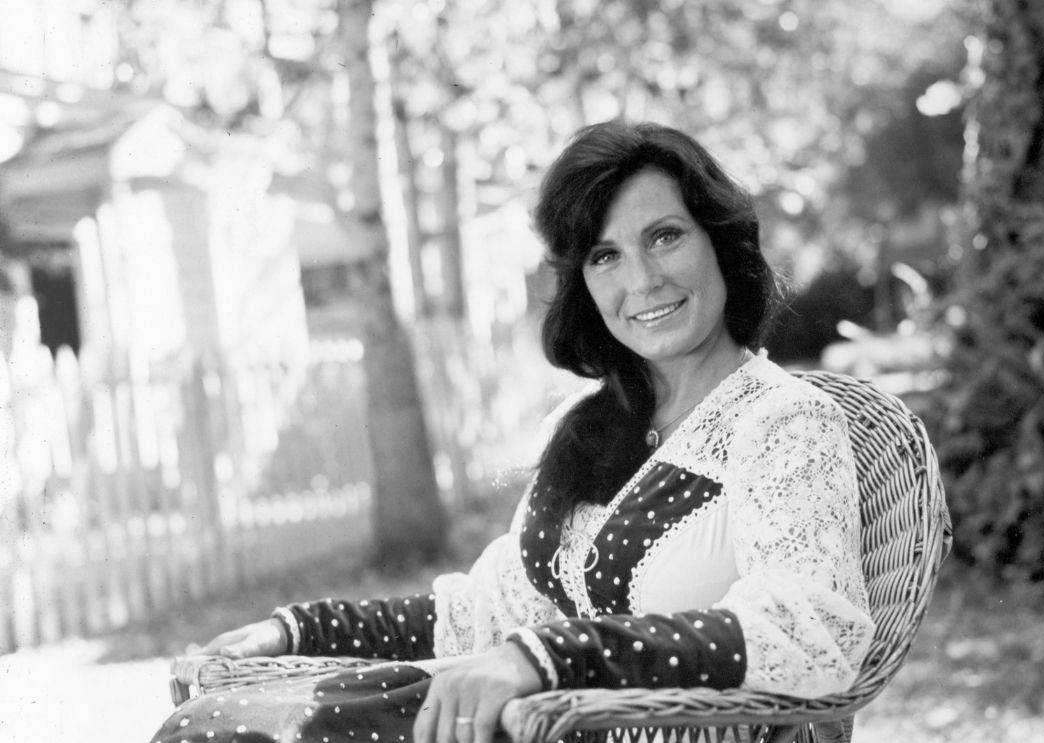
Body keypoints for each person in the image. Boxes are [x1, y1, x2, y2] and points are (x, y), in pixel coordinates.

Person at [151, 121, 873, 743]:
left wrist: (545, 655)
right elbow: (483, 613)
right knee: (213, 721)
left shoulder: (782, 421)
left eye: (664, 236)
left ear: (718, 242)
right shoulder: (587, 425)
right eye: (605, 254)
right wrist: (299, 628)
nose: (642, 279)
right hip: (503, 722)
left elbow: (806, 630)